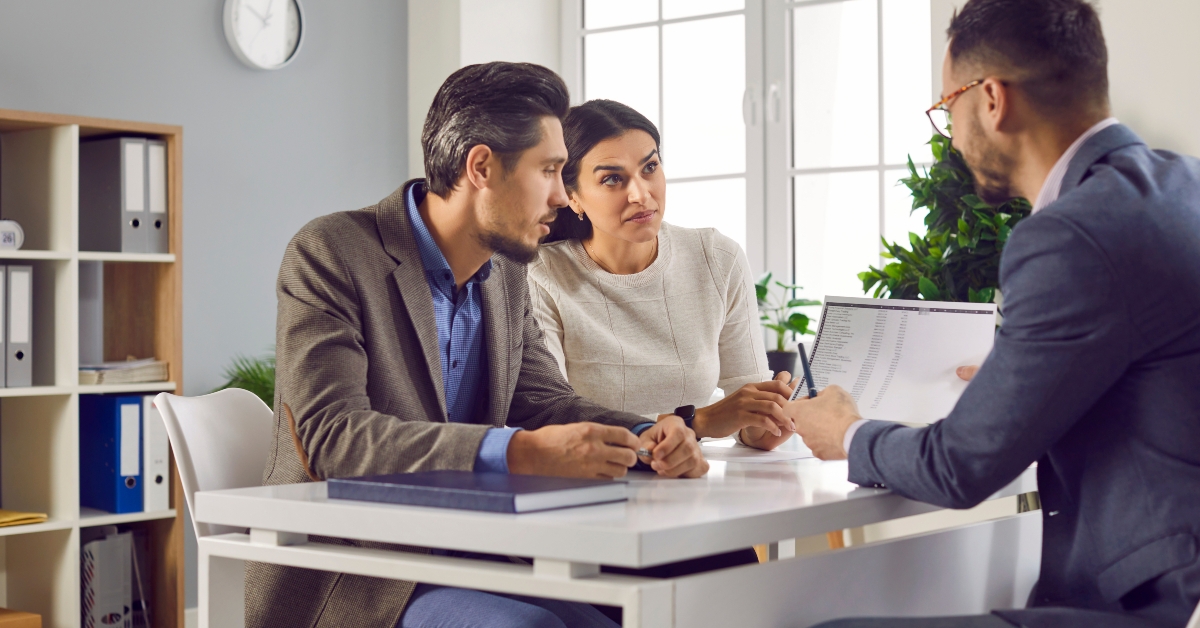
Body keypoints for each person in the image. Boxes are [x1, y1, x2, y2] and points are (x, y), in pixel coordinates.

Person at [250, 62, 708, 628]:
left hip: (481, 549)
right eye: (549, 171)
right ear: (482, 166)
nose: (563, 199)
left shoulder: (507, 273)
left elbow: (545, 401)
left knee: (627, 614)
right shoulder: (333, 252)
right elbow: (332, 437)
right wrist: (517, 452)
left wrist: (643, 436)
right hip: (360, 568)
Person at [791, 1, 1200, 627]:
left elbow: (960, 469)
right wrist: (1019, 377)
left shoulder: (1072, 234)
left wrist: (845, 433)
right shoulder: (1182, 186)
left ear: (991, 100)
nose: (950, 135)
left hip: (1153, 605)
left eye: (945, 108)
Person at [529, 99, 797, 454]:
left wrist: (763, 426)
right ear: (573, 197)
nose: (641, 194)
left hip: (694, 484)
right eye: (612, 179)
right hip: (594, 486)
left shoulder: (717, 258)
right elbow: (552, 419)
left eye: (650, 167)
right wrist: (694, 422)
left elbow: (744, 406)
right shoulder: (540, 276)